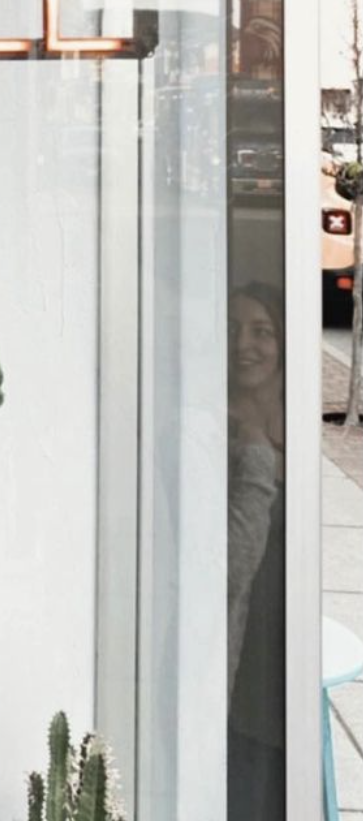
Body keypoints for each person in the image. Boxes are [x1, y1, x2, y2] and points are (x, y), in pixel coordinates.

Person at [227, 282, 285, 819]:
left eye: (262, 330)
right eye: (234, 330)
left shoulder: (298, 424)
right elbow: (231, 562)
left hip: (287, 637)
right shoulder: (217, 428)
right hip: (241, 650)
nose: (246, 344)